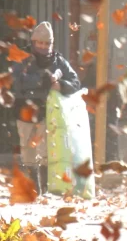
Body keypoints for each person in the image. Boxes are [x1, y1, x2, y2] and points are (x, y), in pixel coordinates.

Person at [11, 21, 81, 192]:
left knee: (45, 151)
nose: (43, 47)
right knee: (28, 150)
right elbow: (16, 82)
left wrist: (60, 85)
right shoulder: (22, 57)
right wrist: (42, 79)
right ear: (33, 42)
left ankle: (44, 188)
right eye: (40, 43)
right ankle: (33, 188)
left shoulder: (59, 61)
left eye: (47, 43)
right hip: (25, 111)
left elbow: (75, 82)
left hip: (49, 113)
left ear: (52, 43)